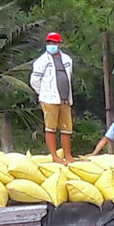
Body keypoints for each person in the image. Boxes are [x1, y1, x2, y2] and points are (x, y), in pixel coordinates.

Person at [30, 32, 75, 164]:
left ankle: (68, 155)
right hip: (49, 99)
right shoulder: (41, 61)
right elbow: (34, 81)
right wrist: (43, 93)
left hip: (65, 98)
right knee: (51, 128)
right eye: (49, 43)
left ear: (60, 44)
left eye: (54, 43)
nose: (51, 45)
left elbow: (68, 77)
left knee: (66, 128)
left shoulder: (67, 60)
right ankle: (55, 156)